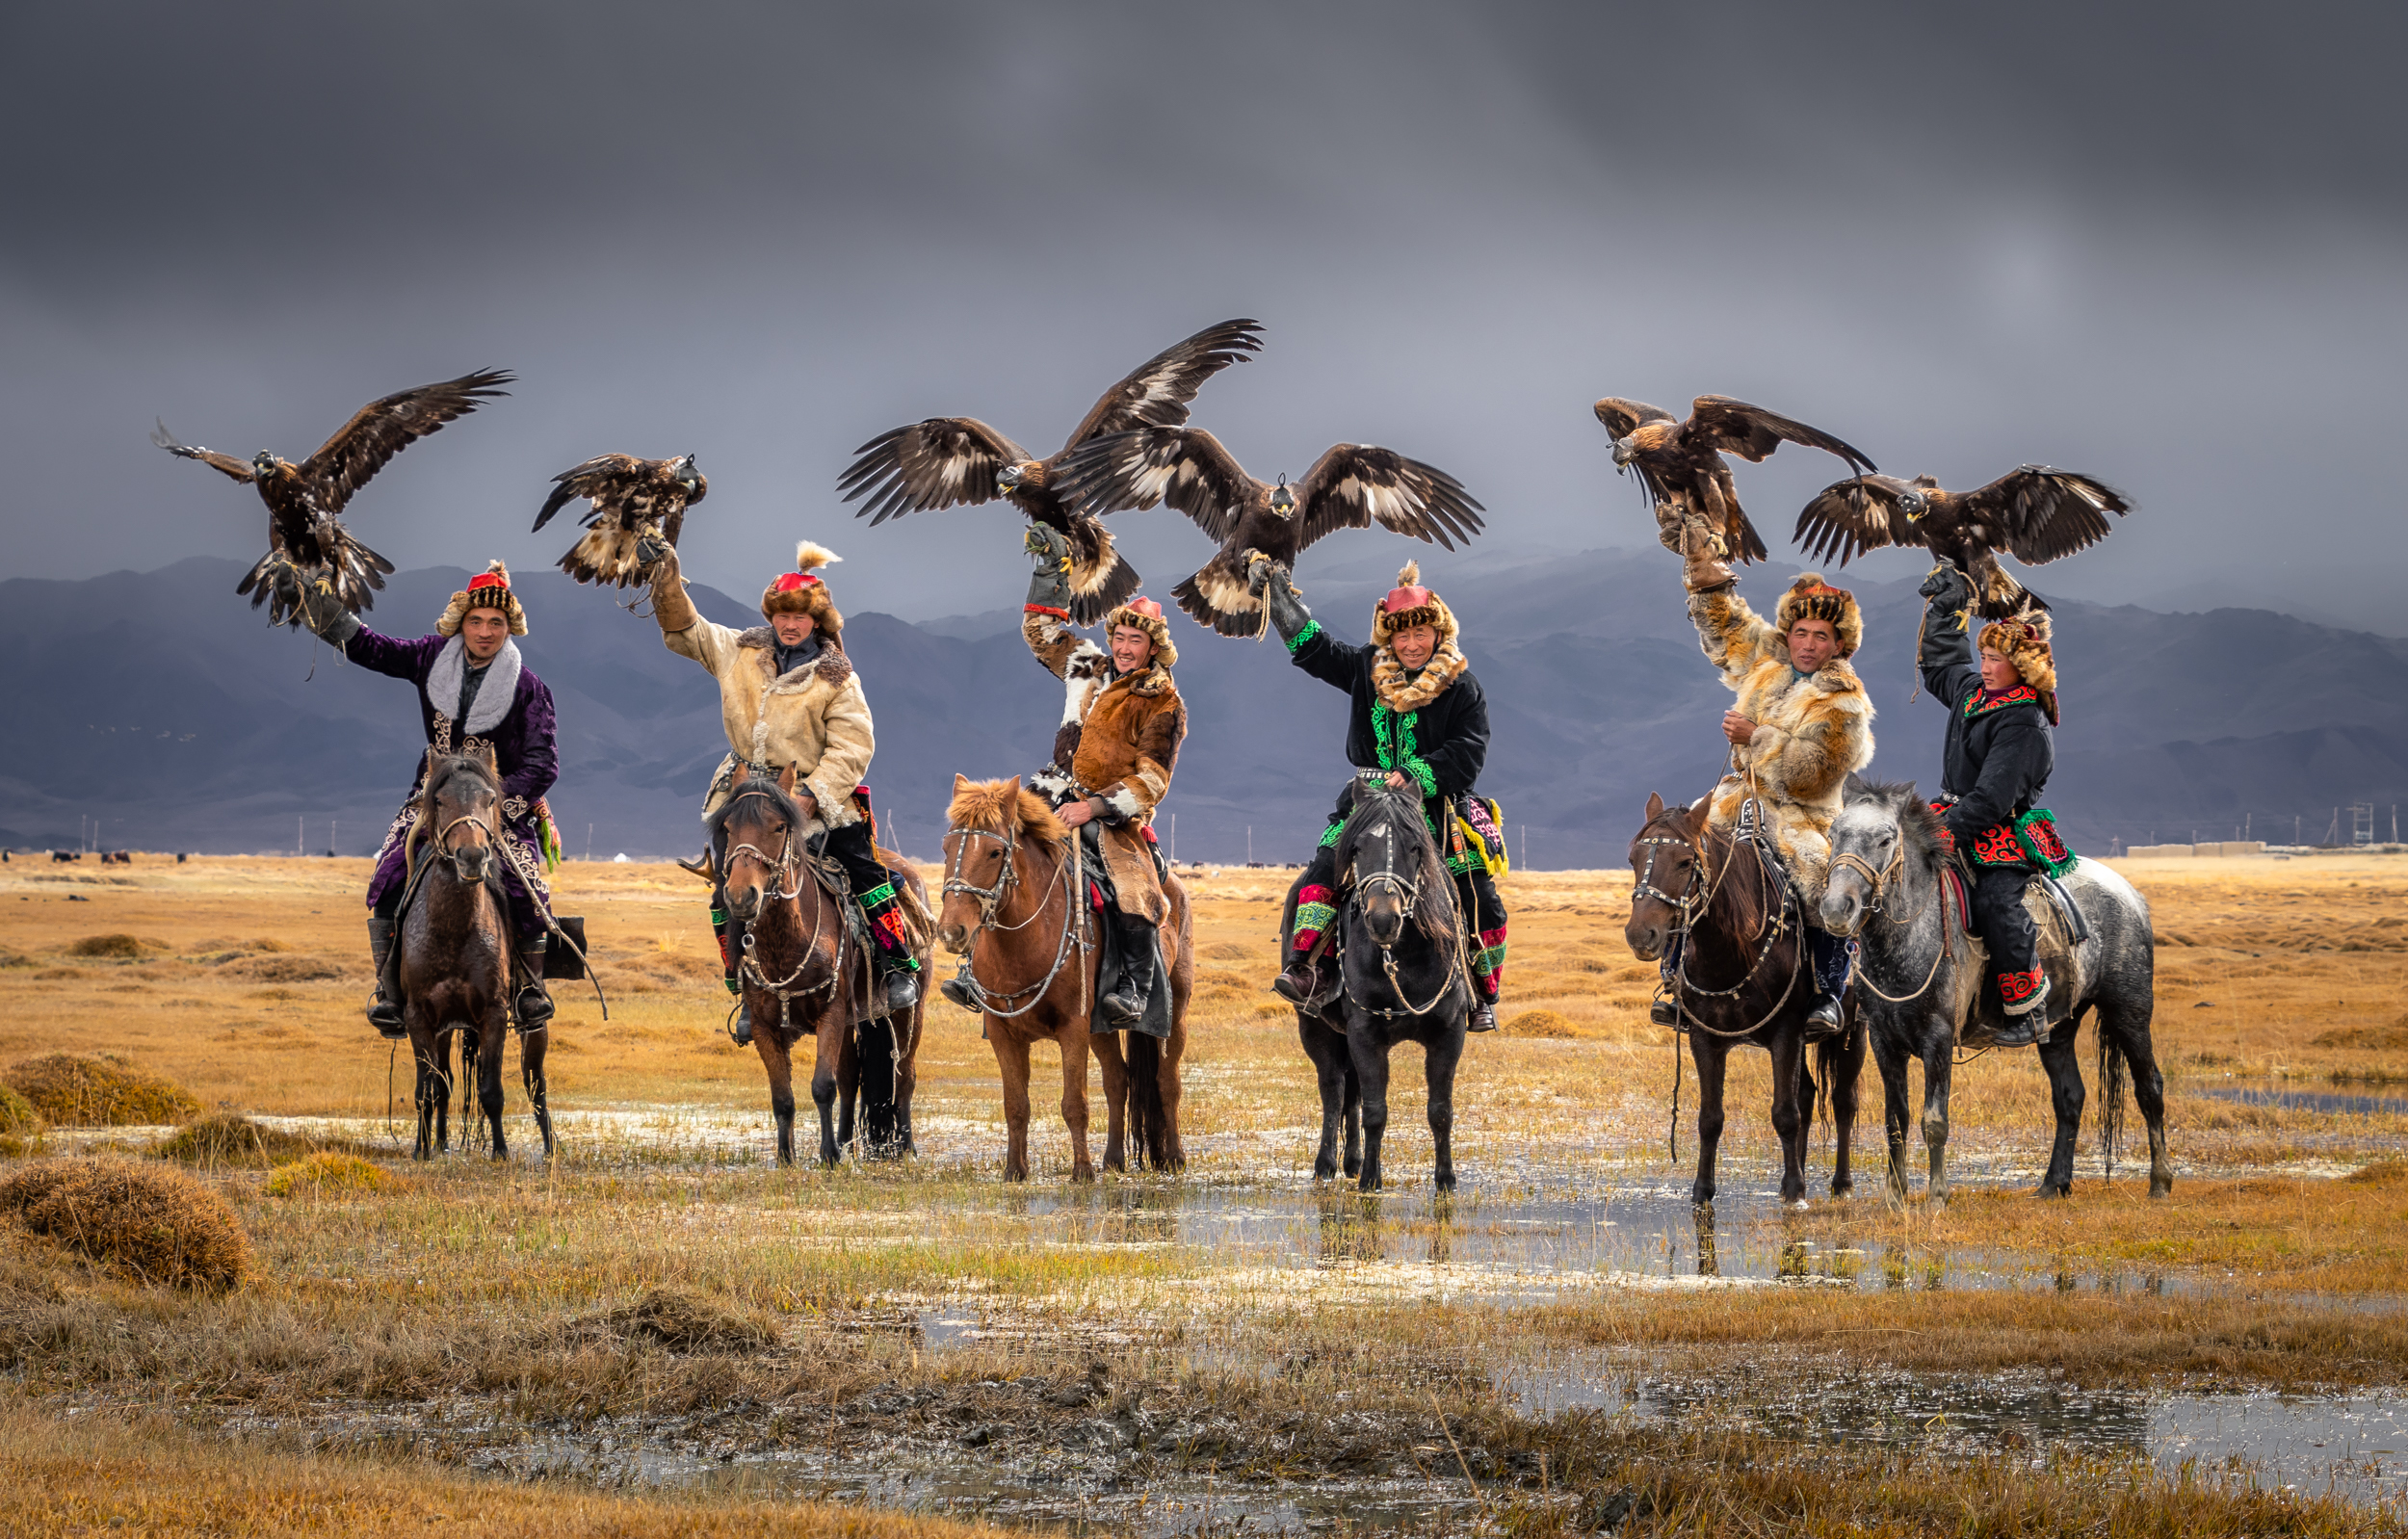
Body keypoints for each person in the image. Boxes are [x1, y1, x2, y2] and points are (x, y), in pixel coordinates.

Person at [641, 537, 919, 1024]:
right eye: (782, 615)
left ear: (819, 622)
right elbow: (686, 627)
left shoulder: (838, 679)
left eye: (801, 617)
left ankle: (899, 966)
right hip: (748, 798)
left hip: (815, 795)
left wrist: (812, 796)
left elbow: (854, 747)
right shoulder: (738, 653)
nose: (790, 625)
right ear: (771, 616)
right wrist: (665, 573)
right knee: (727, 887)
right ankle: (744, 988)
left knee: (865, 873)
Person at [292, 561, 560, 1037]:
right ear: (460, 622)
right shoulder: (429, 657)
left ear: (509, 628)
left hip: (496, 804)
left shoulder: (530, 687)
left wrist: (498, 802)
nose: (484, 632)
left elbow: (543, 763)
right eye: (475, 621)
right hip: (433, 800)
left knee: (529, 888)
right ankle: (391, 995)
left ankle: (529, 990)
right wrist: (322, 608)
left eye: (495, 624)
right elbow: (375, 648)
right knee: (389, 875)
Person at [1250, 556, 1507, 1032]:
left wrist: (1415, 776)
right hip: (1366, 800)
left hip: (1437, 807)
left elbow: (1469, 751)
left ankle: (1479, 989)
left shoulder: (1463, 686)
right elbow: (1316, 649)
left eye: (1420, 634)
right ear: (1388, 636)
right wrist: (1278, 597)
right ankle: (1310, 968)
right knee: (1324, 870)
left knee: (1478, 893)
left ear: (1438, 633)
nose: (1411, 645)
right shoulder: (1366, 668)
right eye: (1401, 635)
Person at [1659, 520, 1874, 1032]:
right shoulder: (1769, 662)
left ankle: (1829, 990)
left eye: (1821, 636)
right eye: (1800, 632)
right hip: (1735, 800)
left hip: (1805, 816)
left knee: (1825, 883)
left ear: (1839, 644)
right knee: (1677, 855)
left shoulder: (1844, 703)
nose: (1807, 643)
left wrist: (1756, 736)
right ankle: (1675, 978)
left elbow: (1810, 774)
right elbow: (1729, 628)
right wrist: (1705, 573)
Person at [975, 525, 1186, 1028]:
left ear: (1153, 647)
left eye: (1136, 639)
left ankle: (1132, 990)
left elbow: (1152, 780)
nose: (1124, 646)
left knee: (1133, 890)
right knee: (986, 850)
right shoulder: (1087, 666)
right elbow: (1041, 632)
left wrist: (1094, 807)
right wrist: (1051, 570)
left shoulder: (1163, 702)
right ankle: (976, 970)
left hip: (1113, 816)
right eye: (1119, 635)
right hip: (1048, 792)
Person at [1917, 563, 2070, 1045]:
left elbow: (1991, 797)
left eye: (1995, 659)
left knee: (1995, 902)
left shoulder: (2024, 722)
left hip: (1999, 828)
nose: (1983, 665)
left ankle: (2024, 1007)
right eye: (1982, 655)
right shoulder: (1971, 694)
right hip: (1949, 814)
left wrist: (1942, 834)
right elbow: (1943, 664)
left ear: (2021, 668)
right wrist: (1946, 608)